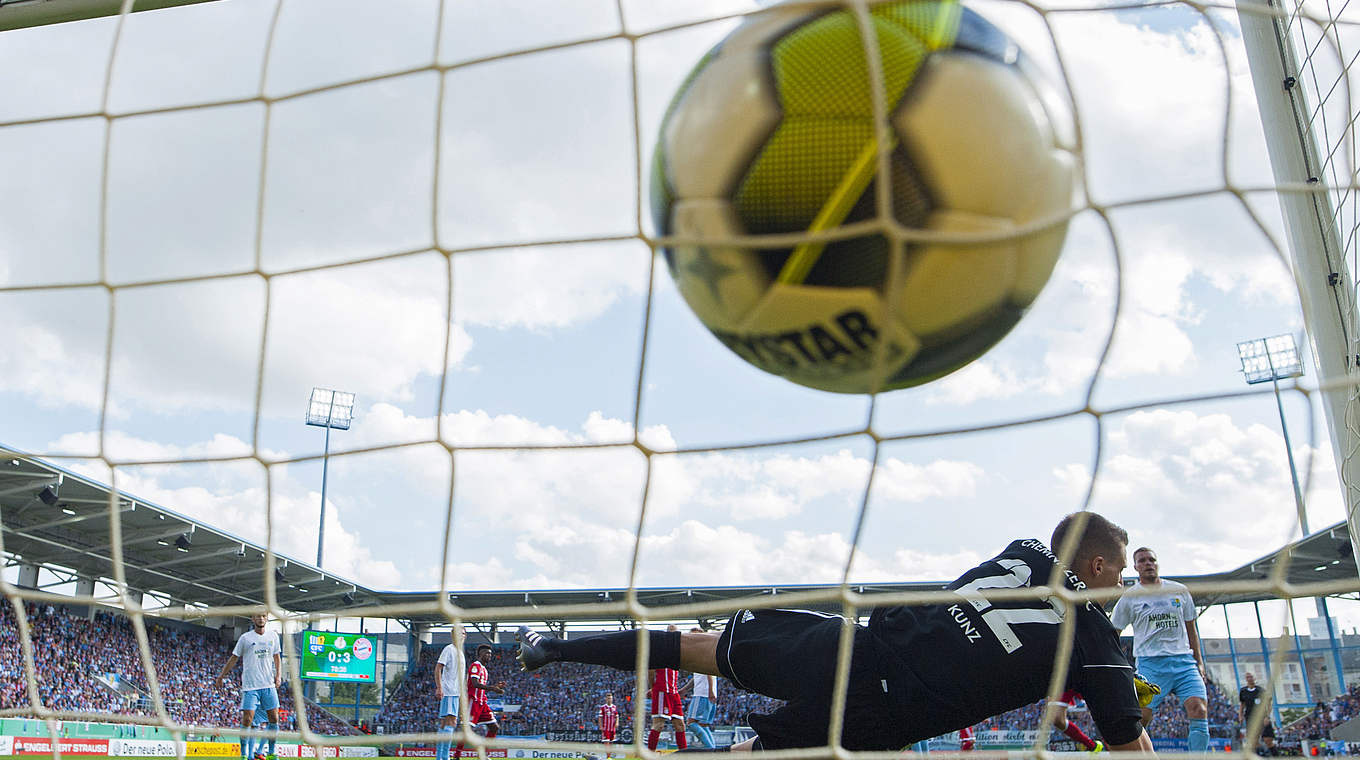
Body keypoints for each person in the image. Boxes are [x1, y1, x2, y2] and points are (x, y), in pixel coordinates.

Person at [516, 512, 1153, 753]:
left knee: (700, 647)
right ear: (1095, 566)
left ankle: (556, 648)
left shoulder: (1019, 550)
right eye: (1118, 571)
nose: (1122, 583)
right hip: (891, 706)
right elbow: (1129, 744)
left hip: (863, 640)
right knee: (756, 753)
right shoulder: (1094, 635)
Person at [1110, 547, 1208, 753]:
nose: (1148, 563)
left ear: (1157, 563)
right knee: (1141, 718)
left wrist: (1199, 661)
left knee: (1199, 709)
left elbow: (1191, 629)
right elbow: (1112, 633)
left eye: (1151, 560)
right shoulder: (1130, 597)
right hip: (1150, 664)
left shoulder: (1178, 590)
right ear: (1135, 567)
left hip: (1183, 662)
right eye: (1142, 561)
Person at [214, 613, 282, 760]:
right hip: (251, 687)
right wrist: (221, 676)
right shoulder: (246, 638)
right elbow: (234, 658)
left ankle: (271, 752)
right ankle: (244, 755)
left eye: (263, 616)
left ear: (267, 618)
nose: (261, 619)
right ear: (253, 619)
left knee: (274, 718)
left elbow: (277, 656)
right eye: (258, 616)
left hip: (268, 685)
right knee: (247, 720)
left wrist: (278, 676)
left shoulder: (273, 636)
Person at [454, 644, 507, 758]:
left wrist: (495, 687)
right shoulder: (475, 666)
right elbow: (474, 684)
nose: (489, 656)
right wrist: (493, 688)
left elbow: (482, 687)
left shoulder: (484, 669)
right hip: (473, 701)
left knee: (494, 727)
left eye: (490, 654)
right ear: (480, 654)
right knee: (466, 730)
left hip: (482, 703)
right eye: (486, 653)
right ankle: (457, 756)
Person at [648, 626, 687, 751]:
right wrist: (652, 687)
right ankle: (650, 754)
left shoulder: (678, 650)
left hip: (674, 692)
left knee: (680, 725)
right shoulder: (659, 651)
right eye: (672, 632)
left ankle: (684, 754)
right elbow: (650, 670)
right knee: (658, 724)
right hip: (662, 691)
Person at [682, 632, 718, 749]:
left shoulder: (702, 653)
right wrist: (684, 689)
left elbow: (709, 673)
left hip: (702, 694)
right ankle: (714, 751)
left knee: (691, 723)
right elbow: (697, 677)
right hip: (706, 694)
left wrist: (710, 692)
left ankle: (711, 750)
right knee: (703, 725)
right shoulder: (706, 652)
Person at [434, 635, 466, 760]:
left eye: (463, 633)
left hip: (455, 692)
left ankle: (440, 757)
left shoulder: (460, 652)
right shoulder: (449, 649)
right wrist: (439, 687)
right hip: (449, 691)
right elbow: (438, 667)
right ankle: (445, 756)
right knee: (451, 722)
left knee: (444, 724)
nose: (461, 636)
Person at [1239, 672, 1276, 755]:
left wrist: (1267, 716)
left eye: (1251, 677)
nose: (1249, 678)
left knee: (1268, 740)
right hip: (1250, 718)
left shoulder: (1261, 690)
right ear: (1245, 679)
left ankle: (1276, 756)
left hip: (1262, 718)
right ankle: (1260, 756)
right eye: (1247, 677)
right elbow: (1242, 704)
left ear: (1255, 678)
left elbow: (1269, 704)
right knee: (1253, 741)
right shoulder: (1243, 691)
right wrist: (1240, 716)